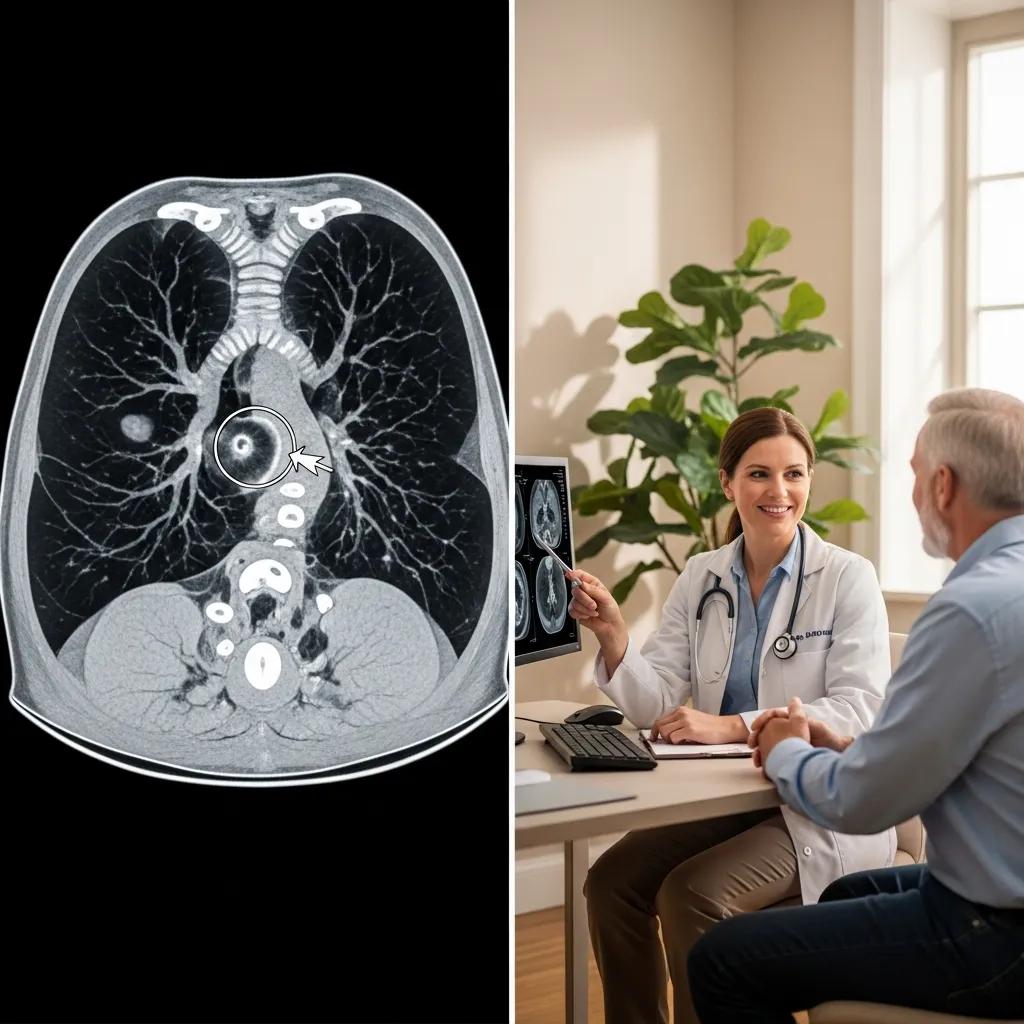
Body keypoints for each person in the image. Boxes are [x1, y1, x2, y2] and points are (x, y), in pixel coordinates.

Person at [689, 388, 1024, 1022]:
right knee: (846, 894)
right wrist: (844, 748)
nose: (915, 493)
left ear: (945, 486)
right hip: (996, 894)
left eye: (916, 474)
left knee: (722, 960)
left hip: (995, 933)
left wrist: (783, 749)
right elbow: (968, 758)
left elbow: (866, 804)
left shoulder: (970, 609)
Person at [567, 407, 896, 1024]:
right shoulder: (702, 576)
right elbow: (657, 700)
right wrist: (614, 635)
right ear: (727, 482)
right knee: (611, 882)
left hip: (817, 802)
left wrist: (733, 725)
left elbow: (860, 710)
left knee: (690, 894)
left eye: (794, 474)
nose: (779, 492)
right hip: (729, 794)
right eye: (759, 474)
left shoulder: (848, 578)